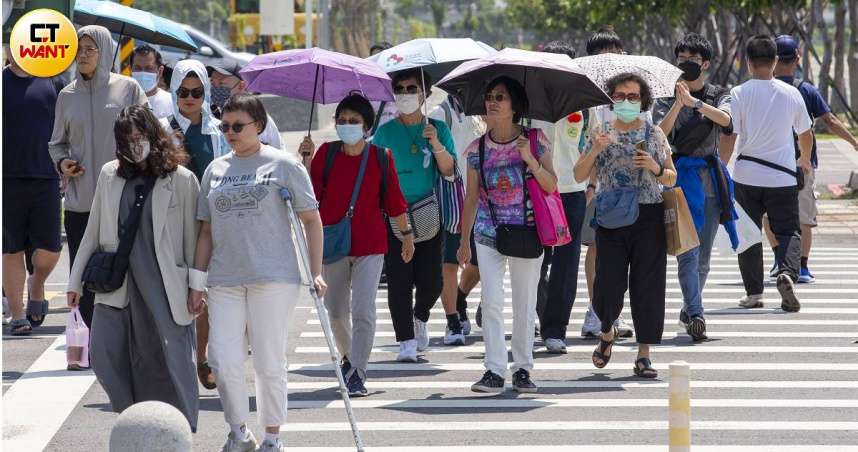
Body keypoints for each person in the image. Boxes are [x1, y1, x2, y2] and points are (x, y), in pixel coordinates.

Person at [188, 92, 325, 452]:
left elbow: (311, 219)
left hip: (273, 276)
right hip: (224, 279)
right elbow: (205, 231)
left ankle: (272, 437)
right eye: (225, 126)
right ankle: (239, 431)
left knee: (268, 359)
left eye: (238, 126)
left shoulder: (283, 164)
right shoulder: (215, 170)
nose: (230, 132)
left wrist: (316, 271)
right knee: (222, 357)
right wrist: (196, 283)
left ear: (259, 127)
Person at [66, 105, 200, 430]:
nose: (134, 145)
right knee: (103, 357)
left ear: (154, 136)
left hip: (164, 283)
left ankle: (176, 429)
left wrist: (198, 286)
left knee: (165, 360)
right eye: (126, 139)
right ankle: (132, 419)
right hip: (118, 282)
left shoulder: (181, 179)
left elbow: (194, 241)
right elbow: (93, 231)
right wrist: (74, 281)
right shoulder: (109, 173)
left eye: (140, 137)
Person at [305, 94, 411, 396]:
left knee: (363, 309)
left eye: (354, 121)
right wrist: (306, 160)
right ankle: (350, 357)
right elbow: (310, 197)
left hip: (370, 243)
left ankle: (358, 372)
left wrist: (406, 236)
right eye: (342, 120)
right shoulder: (325, 153)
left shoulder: (381, 156)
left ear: (367, 125)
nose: (347, 126)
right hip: (334, 242)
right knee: (336, 312)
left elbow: (394, 201)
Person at [574, 72, 677, 379]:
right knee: (608, 284)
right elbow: (579, 175)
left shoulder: (654, 133)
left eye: (633, 97)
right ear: (611, 99)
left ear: (643, 101)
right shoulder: (599, 131)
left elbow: (672, 176)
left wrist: (655, 167)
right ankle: (607, 331)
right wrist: (594, 150)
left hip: (648, 216)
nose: (626, 101)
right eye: (619, 96)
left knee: (647, 285)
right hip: (611, 217)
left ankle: (643, 354)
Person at [458, 76, 556, 393]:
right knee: (491, 302)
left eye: (500, 97)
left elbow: (552, 185)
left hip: (528, 233)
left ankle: (523, 369)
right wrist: (463, 242)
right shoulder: (476, 150)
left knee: (525, 304)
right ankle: (495, 370)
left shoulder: (536, 140)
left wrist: (529, 159)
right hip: (489, 233)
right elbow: (471, 199)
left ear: (514, 105)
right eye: (489, 96)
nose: (493, 102)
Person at [49, 25, 149, 329]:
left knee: (126, 268)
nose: (83, 55)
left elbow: (146, 134)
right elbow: (57, 143)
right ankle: (92, 337)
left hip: (122, 197)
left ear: (104, 52)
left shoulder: (128, 89)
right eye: (78, 49)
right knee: (84, 272)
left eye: (90, 49)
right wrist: (63, 162)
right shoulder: (66, 95)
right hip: (80, 201)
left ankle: (128, 334)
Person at [653, 33, 737, 342]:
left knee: (703, 258)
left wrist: (695, 103)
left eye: (692, 60)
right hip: (678, 180)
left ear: (705, 64)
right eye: (680, 59)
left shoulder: (718, 94)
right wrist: (678, 104)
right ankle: (697, 313)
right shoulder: (664, 97)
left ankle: (690, 308)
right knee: (686, 254)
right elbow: (659, 134)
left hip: (710, 183)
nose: (685, 65)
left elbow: (727, 121)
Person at [370, 68, 456, 362]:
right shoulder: (384, 132)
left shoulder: (438, 128)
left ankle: (420, 317)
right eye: (400, 89)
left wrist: (436, 144)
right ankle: (406, 339)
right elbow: (373, 173)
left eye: (411, 88)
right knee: (399, 280)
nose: (405, 94)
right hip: (393, 216)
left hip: (429, 214)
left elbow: (449, 171)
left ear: (425, 94)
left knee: (432, 280)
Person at [760, 35, 858, 284]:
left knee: (769, 214)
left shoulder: (763, 88)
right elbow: (831, 121)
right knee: (803, 215)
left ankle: (778, 259)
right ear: (798, 59)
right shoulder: (805, 89)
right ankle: (802, 267)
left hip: (770, 162)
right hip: (801, 163)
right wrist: (854, 142)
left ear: (773, 59)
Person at [727, 35, 812, 312]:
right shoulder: (792, 94)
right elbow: (805, 133)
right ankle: (788, 271)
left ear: (748, 63)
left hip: (746, 176)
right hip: (782, 177)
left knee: (748, 234)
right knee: (788, 230)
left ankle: (753, 294)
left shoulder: (738, 93)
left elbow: (731, 134)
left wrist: (721, 166)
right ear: (775, 61)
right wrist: (804, 160)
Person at [159, 59, 229, 390]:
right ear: (173, 91)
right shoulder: (161, 128)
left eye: (197, 92)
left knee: (206, 296)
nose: (190, 98)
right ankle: (176, 361)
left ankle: (202, 358)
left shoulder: (221, 130)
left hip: (212, 223)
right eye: (183, 91)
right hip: (173, 223)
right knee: (174, 294)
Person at [528, 40, 589, 354]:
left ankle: (555, 328)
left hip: (572, 193)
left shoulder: (581, 103)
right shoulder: (526, 103)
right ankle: (536, 316)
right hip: (536, 191)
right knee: (534, 261)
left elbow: (585, 147)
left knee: (566, 265)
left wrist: (589, 186)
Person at [2, 45, 64, 335]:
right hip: (7, 178)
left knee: (51, 247)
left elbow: (67, 128)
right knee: (10, 248)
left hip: (47, 176)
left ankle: (36, 284)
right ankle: (17, 315)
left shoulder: (53, 80)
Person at [580, 26, 637, 339]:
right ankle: (596, 310)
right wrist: (590, 184)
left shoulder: (628, 91)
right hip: (595, 185)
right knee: (596, 248)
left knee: (621, 254)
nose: (609, 60)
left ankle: (612, 311)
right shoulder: (584, 95)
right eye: (602, 55)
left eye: (614, 53)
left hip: (626, 185)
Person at [429, 89, 486, 345]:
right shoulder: (440, 114)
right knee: (449, 264)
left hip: (483, 199)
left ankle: (460, 297)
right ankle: (452, 320)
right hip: (453, 199)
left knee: (482, 262)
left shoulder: (480, 111)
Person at [206, 59, 283, 150]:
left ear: (241, 86)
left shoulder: (260, 118)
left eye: (221, 83)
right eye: (213, 84)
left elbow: (279, 152)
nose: (216, 89)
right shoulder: (208, 118)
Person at [130, 44, 172, 119]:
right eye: (138, 68)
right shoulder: (121, 100)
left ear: (160, 71)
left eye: (149, 68)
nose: (143, 73)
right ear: (130, 70)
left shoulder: (171, 102)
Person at [368, 42, 400, 138]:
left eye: (381, 59)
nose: (377, 64)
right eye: (374, 59)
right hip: (368, 147)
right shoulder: (359, 91)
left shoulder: (402, 91)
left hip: (393, 145)